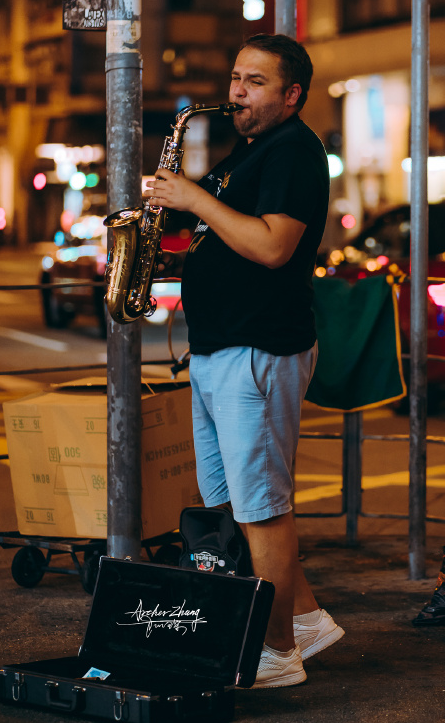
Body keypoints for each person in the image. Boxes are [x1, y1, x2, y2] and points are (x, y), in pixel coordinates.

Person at [145, 34, 344, 687]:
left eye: (254, 82)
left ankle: (276, 654)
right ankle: (308, 621)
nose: (235, 92)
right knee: (239, 505)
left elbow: (271, 247)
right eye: (234, 77)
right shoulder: (250, 151)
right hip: (218, 351)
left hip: (257, 349)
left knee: (263, 508)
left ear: (291, 95)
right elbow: (218, 225)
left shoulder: (294, 152)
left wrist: (195, 200)